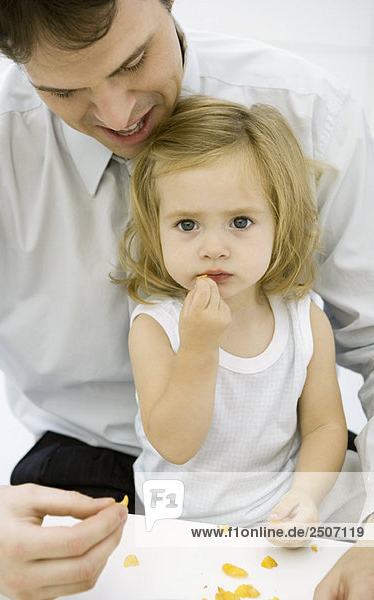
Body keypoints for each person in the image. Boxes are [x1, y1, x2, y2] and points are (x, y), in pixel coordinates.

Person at [0, 0, 372, 598]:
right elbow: (176, 441)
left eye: (135, 60)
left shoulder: (313, 114)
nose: (117, 113)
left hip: (285, 465)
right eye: (62, 89)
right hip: (92, 456)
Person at [116, 94, 349, 536]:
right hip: (178, 524)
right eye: (187, 225)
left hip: (278, 512)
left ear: (280, 222)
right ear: (156, 227)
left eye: (240, 222)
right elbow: (175, 444)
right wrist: (199, 346)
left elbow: (324, 425)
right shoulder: (156, 327)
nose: (214, 247)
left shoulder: (304, 320)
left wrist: (304, 495)